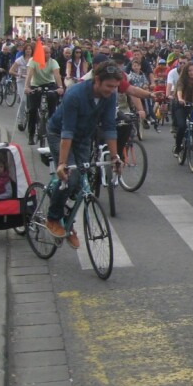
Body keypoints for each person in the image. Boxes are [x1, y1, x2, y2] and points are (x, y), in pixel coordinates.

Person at [44, 62, 124, 249]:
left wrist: (115, 157)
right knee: (70, 178)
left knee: (82, 183)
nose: (112, 91)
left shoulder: (110, 96)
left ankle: (67, 219)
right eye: (109, 86)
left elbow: (109, 127)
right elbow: (67, 131)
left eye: (115, 87)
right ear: (96, 80)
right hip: (60, 134)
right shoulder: (75, 95)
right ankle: (53, 218)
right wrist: (63, 163)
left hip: (84, 137)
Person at [24, 44, 65, 144]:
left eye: (49, 52)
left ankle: (52, 130)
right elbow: (29, 74)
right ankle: (31, 135)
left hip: (49, 84)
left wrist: (60, 87)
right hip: (35, 85)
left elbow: (56, 75)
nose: (48, 54)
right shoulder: (33, 60)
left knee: (53, 106)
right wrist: (27, 87)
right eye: (46, 52)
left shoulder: (53, 62)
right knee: (32, 110)